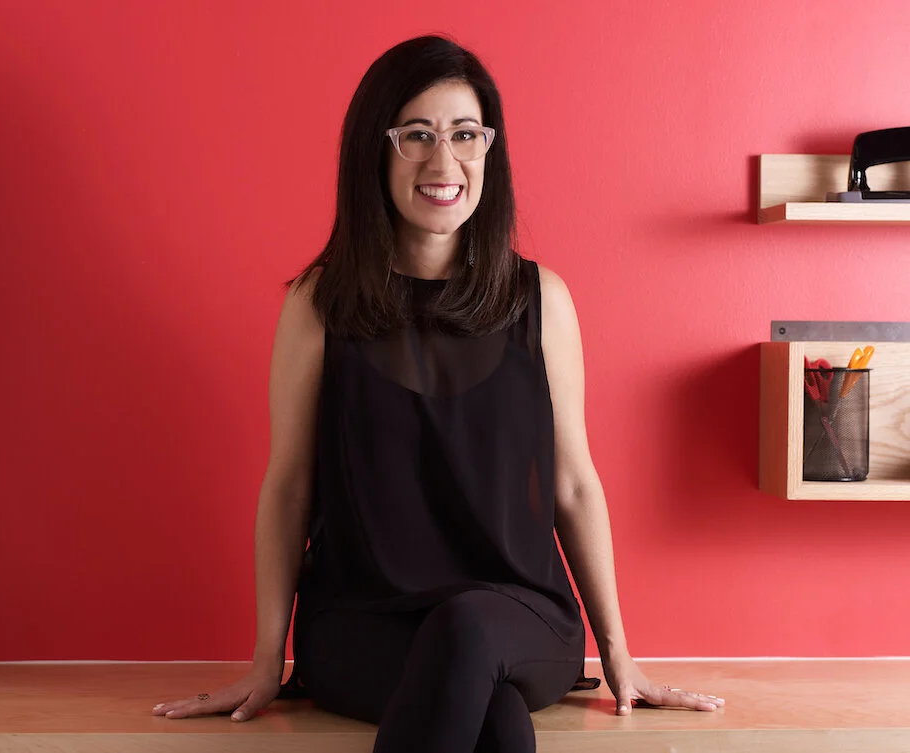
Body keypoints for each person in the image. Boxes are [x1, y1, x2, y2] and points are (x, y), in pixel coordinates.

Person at [152, 34, 725, 752]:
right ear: (377, 150)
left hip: (520, 615)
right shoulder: (319, 304)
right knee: (498, 717)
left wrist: (618, 653)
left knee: (469, 628)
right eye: (417, 135)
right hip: (362, 622)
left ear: (489, 150)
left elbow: (574, 484)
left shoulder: (540, 299)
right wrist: (269, 657)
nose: (444, 160)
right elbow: (290, 484)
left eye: (465, 134)